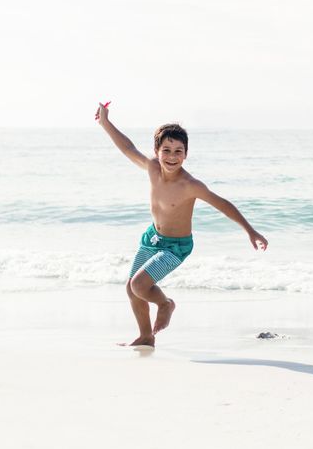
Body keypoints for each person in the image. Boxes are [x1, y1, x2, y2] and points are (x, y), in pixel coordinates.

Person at [96, 103, 267, 347]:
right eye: (166, 150)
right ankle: (146, 337)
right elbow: (128, 148)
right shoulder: (152, 168)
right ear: (157, 151)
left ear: (186, 154)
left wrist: (250, 231)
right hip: (152, 238)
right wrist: (105, 122)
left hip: (176, 247)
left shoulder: (190, 185)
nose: (172, 157)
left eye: (178, 151)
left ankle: (166, 304)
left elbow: (222, 204)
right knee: (131, 288)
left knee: (139, 285)